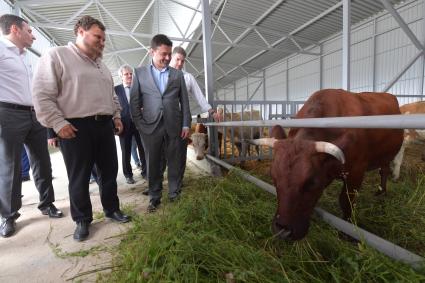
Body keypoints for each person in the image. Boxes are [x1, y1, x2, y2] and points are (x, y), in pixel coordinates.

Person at [32, 15, 130, 242]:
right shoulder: (57, 56)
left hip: (104, 125)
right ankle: (82, 219)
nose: (102, 42)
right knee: (80, 176)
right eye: (98, 37)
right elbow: (42, 94)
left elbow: (112, 96)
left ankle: (112, 209)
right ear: (80, 32)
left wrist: (116, 116)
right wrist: (58, 123)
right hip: (75, 127)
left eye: (104, 39)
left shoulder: (102, 65)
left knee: (109, 171)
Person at [0, 14, 63, 238]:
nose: (33, 36)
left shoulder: (25, 56)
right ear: (15, 30)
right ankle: (8, 215)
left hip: (33, 114)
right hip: (7, 114)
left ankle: (47, 204)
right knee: (10, 166)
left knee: (42, 162)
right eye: (29, 31)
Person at [130, 34, 191, 212]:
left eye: (169, 54)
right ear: (152, 52)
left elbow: (185, 102)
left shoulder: (178, 75)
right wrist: (140, 124)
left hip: (175, 126)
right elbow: (134, 102)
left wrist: (186, 124)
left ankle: (174, 194)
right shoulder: (140, 73)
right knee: (153, 162)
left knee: (175, 161)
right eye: (163, 54)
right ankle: (154, 197)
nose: (167, 58)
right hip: (150, 127)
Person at [169, 46, 218, 188]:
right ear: (171, 57)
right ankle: (165, 181)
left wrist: (211, 111)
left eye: (182, 61)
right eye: (177, 59)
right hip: (166, 120)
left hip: (183, 121)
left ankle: (178, 181)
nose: (179, 63)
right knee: (167, 152)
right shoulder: (163, 75)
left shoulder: (187, 78)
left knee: (181, 152)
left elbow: (199, 97)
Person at [115, 64, 147, 184]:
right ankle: (128, 175)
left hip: (139, 124)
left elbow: (145, 102)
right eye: (126, 74)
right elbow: (113, 107)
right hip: (124, 125)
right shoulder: (116, 90)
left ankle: (145, 172)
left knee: (142, 149)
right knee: (126, 151)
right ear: (121, 76)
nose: (129, 76)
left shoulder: (138, 87)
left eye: (130, 73)